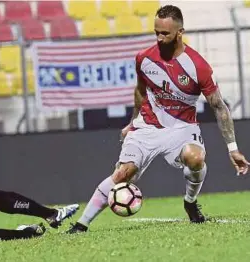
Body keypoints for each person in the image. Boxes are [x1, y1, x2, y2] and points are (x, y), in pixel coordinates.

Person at [67, 5, 249, 234]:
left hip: (182, 127)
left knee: (196, 158)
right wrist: (133, 121)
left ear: (180, 32)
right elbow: (140, 91)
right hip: (148, 126)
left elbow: (218, 106)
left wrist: (233, 149)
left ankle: (190, 202)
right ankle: (80, 225)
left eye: (166, 34)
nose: (160, 38)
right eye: (156, 33)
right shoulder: (144, 58)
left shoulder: (198, 66)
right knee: (123, 175)